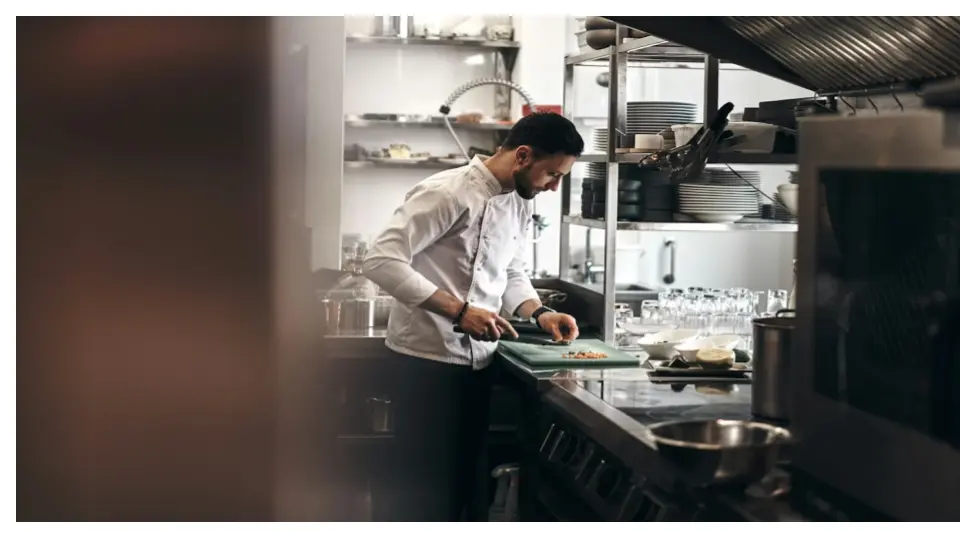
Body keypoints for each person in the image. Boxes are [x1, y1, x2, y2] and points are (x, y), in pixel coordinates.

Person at [362, 112, 584, 521]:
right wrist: (459, 311)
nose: (553, 186)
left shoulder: (517, 200)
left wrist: (540, 312)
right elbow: (380, 262)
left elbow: (511, 269)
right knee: (420, 490)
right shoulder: (446, 193)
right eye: (552, 174)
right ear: (522, 156)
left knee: (463, 486)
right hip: (423, 363)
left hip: (479, 364)